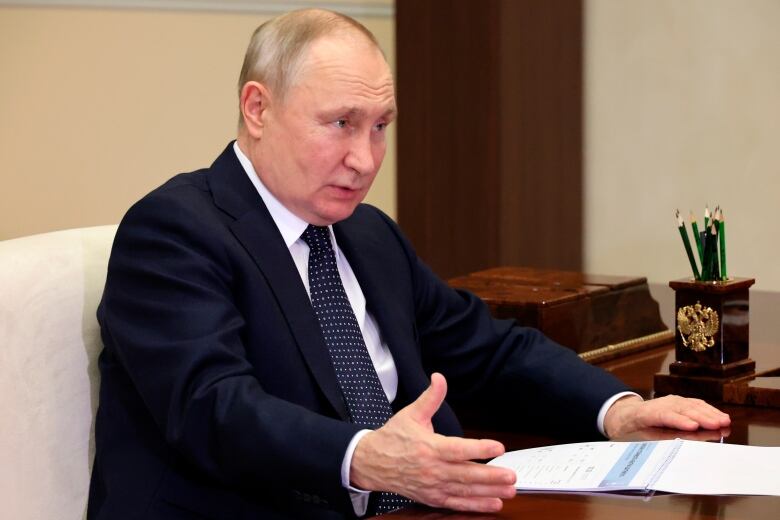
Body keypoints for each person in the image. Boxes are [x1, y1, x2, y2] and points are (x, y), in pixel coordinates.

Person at [87, 8, 730, 520]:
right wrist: (365, 457)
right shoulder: (175, 231)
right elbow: (213, 406)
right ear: (257, 108)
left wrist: (615, 409)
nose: (366, 159)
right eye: (340, 123)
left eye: (380, 126)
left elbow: (486, 351)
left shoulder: (366, 234)